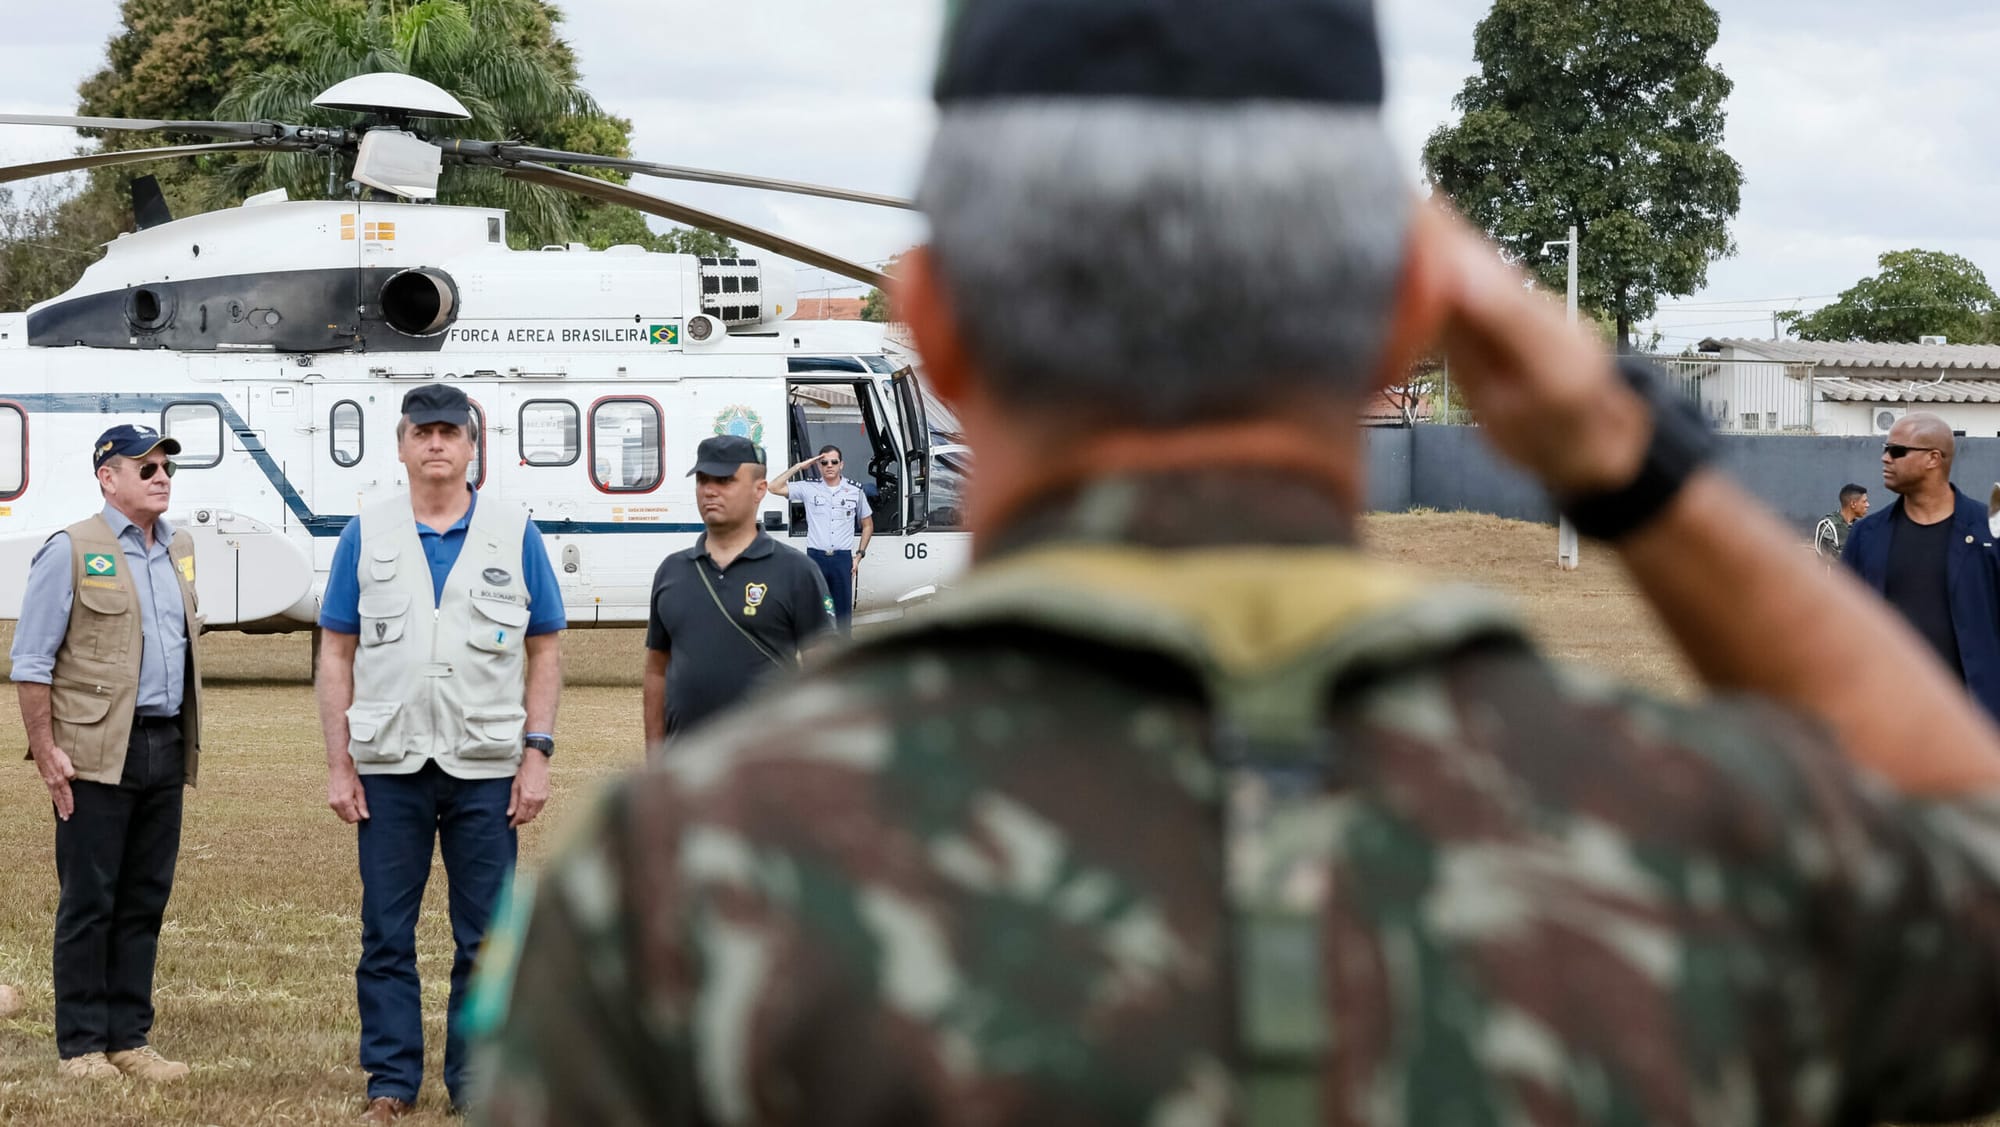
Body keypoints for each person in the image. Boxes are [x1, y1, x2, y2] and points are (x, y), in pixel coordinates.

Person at [469, 2, 2000, 1123]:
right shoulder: (1710, 839)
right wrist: (1626, 452)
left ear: (932, 328)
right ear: (1413, 316)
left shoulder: (678, 895)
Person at [315, 384, 565, 1124]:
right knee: (385, 932)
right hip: (389, 765)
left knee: (484, 937)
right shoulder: (367, 530)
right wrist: (339, 761)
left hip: (486, 765)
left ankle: (477, 1080)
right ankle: (390, 1080)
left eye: (449, 432)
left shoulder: (513, 530)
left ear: (469, 445)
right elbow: (336, 650)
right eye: (422, 432)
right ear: (400, 445)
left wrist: (538, 753)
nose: (435, 444)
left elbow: (544, 648)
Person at [9, 424, 201, 1083]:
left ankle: (129, 1039)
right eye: (143, 466)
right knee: (90, 897)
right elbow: (31, 664)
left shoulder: (179, 550)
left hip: (164, 743)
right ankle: (83, 1045)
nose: (160, 476)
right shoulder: (69, 550)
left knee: (145, 896)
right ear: (107, 477)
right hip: (93, 751)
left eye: (164, 466)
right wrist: (45, 752)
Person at [640, 435, 834, 758]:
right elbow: (656, 672)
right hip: (685, 775)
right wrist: (656, 766)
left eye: (725, 480)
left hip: (767, 774)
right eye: (703, 480)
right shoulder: (672, 572)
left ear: (760, 490)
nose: (709, 490)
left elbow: (824, 677)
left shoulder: (797, 572)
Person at [1842, 412, 2000, 720]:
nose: (1885, 458)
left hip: (1976, 722)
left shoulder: (1989, 531)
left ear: (1933, 459)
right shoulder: (1866, 536)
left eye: (1897, 451)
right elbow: (1844, 627)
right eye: (1885, 449)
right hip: (1888, 719)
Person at [770, 443, 873, 632]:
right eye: (824, 462)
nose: (829, 466)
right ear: (818, 465)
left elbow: (867, 524)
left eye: (834, 462)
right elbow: (773, 487)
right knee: (814, 612)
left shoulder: (855, 491)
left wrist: (859, 555)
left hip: (842, 559)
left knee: (842, 616)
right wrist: (799, 467)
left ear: (841, 464)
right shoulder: (808, 488)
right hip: (815, 558)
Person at [1814, 482, 1867, 562]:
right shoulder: (1828, 526)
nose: (1867, 505)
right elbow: (1833, 559)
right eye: (1864, 502)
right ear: (1853, 504)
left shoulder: (1860, 528)